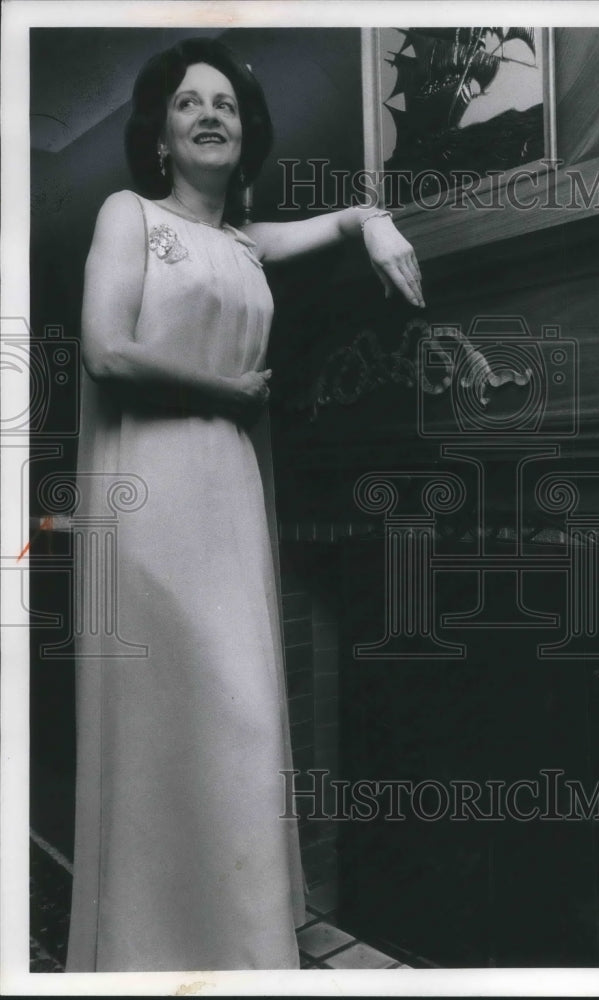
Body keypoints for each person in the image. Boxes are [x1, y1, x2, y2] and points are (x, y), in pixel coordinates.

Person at [66, 36, 423, 973]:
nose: (210, 113)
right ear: (160, 133)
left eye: (224, 101)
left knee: (241, 716)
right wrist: (230, 393)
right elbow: (106, 350)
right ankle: (155, 949)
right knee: (183, 719)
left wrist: (373, 222)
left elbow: (339, 225)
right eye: (188, 102)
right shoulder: (130, 216)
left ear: (244, 132)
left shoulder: (241, 242)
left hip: (227, 496)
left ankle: (238, 946)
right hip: (155, 496)